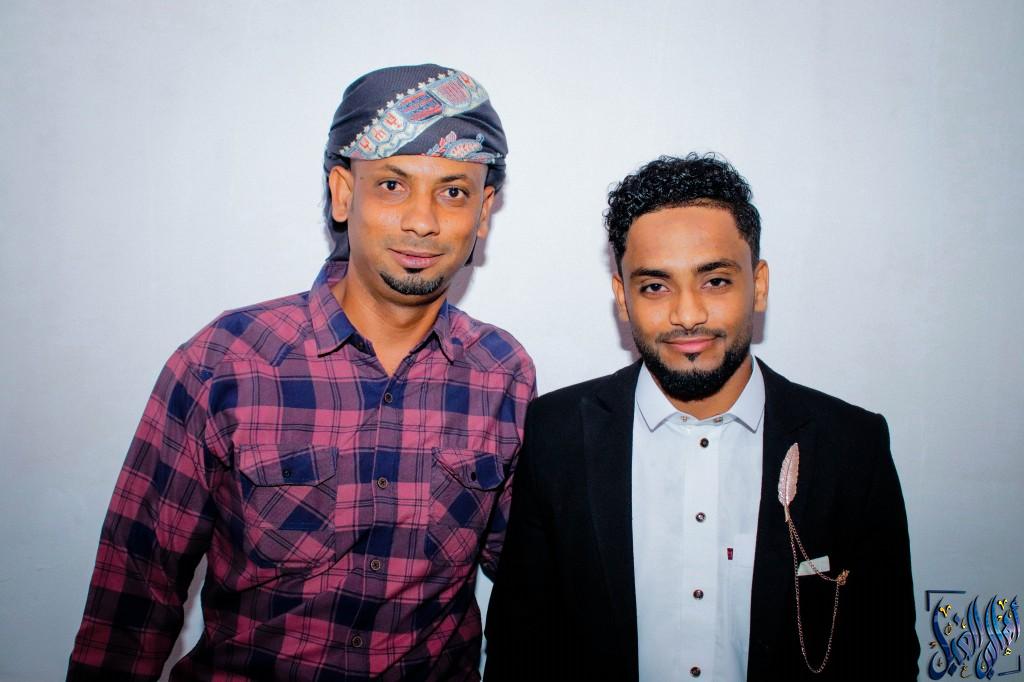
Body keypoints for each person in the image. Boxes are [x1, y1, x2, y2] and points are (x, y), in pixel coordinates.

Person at [67, 64, 535, 681]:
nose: (422, 221)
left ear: (483, 211)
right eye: (392, 185)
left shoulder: (503, 375)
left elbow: (537, 586)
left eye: (453, 192)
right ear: (344, 193)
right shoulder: (226, 362)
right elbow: (132, 596)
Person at [484, 154, 917, 680]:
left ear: (758, 284)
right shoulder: (557, 434)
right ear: (622, 297)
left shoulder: (851, 447)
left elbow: (884, 654)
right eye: (655, 286)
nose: (687, 314)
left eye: (715, 281)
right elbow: (520, 650)